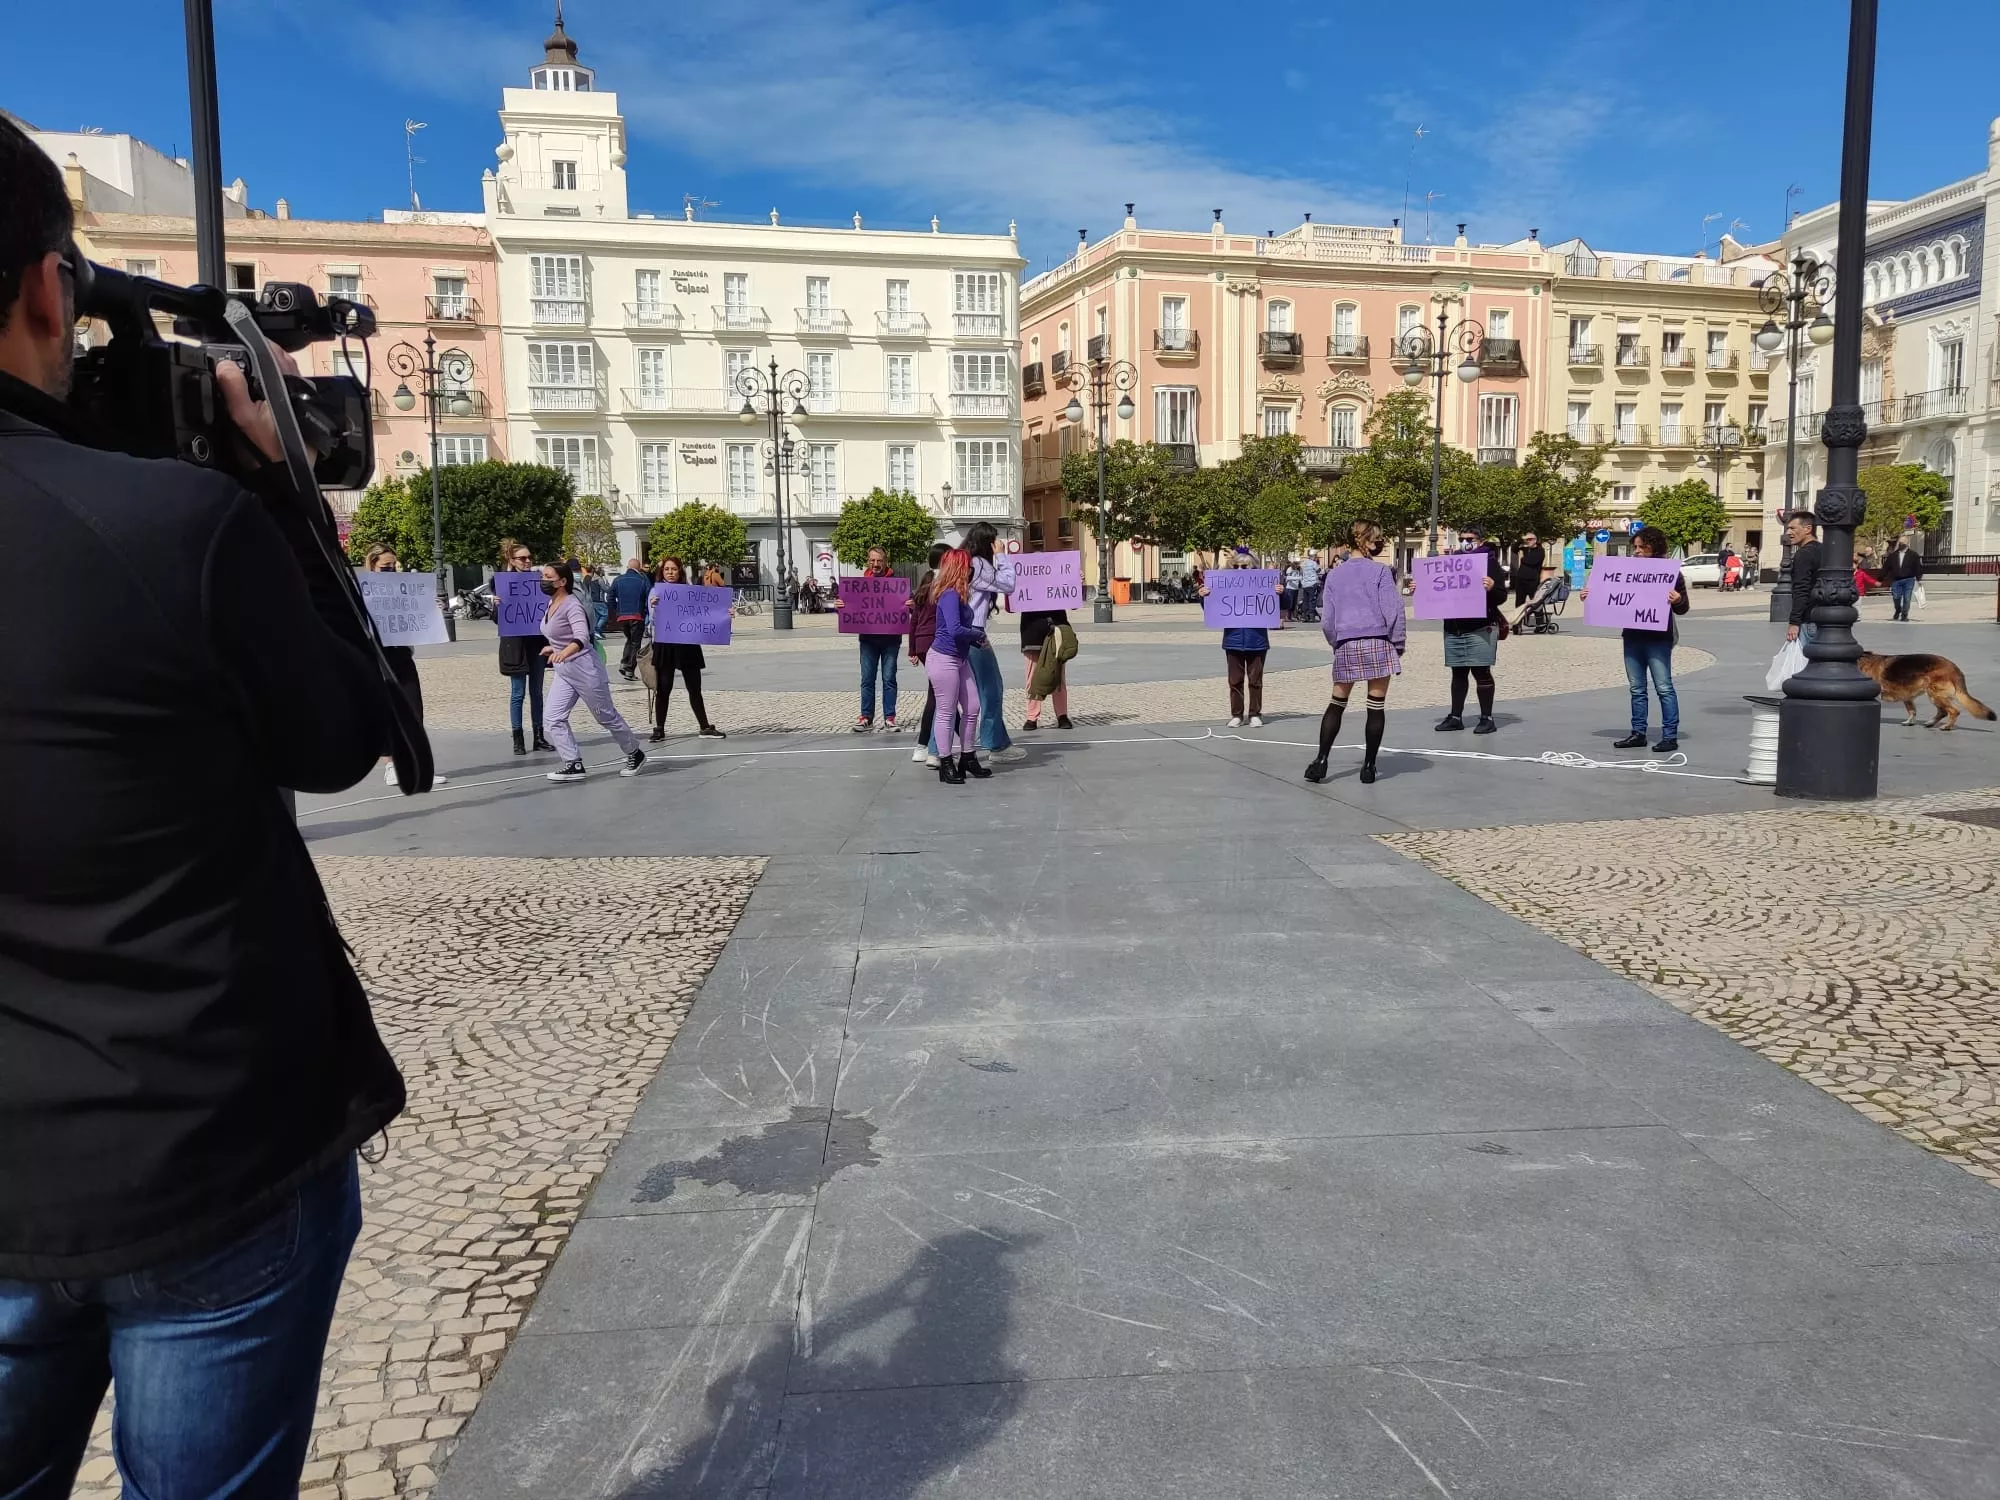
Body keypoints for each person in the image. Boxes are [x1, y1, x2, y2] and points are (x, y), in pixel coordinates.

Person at [0, 119, 403, 1498]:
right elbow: (348, 733)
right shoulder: (169, 532)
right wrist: (283, 499)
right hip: (202, 1150)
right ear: (51, 290)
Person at [1306, 521, 1407, 785]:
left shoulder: (1334, 575)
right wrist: (1398, 642)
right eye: (1378, 540)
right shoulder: (1381, 572)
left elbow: (1327, 618)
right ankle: (1370, 766)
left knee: (1337, 702)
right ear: (1370, 542)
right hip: (1378, 640)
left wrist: (1335, 643)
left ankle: (1321, 759)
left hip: (1348, 642)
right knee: (1375, 706)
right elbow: (1393, 610)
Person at [539, 561, 647, 782]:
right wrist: (554, 647)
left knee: (605, 715)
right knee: (553, 717)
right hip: (564, 671)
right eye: (543, 577)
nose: (544, 581)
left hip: (585, 668)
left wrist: (565, 651)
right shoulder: (551, 604)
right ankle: (573, 763)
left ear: (562, 581)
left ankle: (635, 752)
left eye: (548, 577)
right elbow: (561, 635)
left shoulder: (572, 605)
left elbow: (581, 636)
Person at [1601, 525, 1688, 753]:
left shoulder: (1671, 574)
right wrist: (1590, 596)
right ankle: (1638, 733)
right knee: (1637, 688)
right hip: (1632, 636)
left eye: (1643, 547)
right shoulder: (1626, 572)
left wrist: (1677, 599)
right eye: (1635, 547)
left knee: (1664, 687)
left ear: (1655, 548)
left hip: (1658, 638)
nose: (1637, 551)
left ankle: (1670, 735)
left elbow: (1683, 608)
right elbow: (1609, 597)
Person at [364, 545, 446, 788]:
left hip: (401, 655)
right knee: (387, 712)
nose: (390, 570)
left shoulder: (403, 588)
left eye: (393, 566)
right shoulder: (362, 591)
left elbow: (416, 614)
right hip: (377, 656)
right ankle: (391, 765)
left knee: (413, 709)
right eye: (385, 567)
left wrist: (432, 610)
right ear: (372, 565)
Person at [923, 548, 988, 784]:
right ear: (959, 568)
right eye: (968, 566)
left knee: (972, 706)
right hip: (943, 659)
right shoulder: (950, 595)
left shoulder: (958, 594)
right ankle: (946, 761)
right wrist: (977, 636)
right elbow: (954, 630)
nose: (971, 570)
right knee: (946, 711)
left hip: (958, 659)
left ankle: (968, 756)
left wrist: (974, 638)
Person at [646, 557, 725, 742]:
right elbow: (652, 620)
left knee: (694, 686)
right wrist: (654, 607)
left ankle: (704, 726)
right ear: (662, 571)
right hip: (666, 642)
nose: (670, 572)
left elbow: (705, 612)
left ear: (680, 571)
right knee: (664, 687)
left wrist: (725, 613)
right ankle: (659, 728)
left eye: (673, 569)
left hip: (687, 641)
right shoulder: (656, 591)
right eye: (667, 569)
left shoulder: (690, 591)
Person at [1437, 525, 1504, 735]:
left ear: (1481, 541)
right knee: (1458, 673)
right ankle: (1456, 716)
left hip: (1480, 626)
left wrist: (1492, 587)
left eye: (1470, 538)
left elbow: (1501, 596)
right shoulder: (1451, 562)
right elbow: (1440, 590)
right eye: (1463, 538)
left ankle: (1487, 718)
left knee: (1481, 672)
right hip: (1455, 626)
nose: (1466, 542)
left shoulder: (1489, 563)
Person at [963, 523, 1019, 760]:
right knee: (991, 688)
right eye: (994, 540)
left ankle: (934, 749)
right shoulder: (980, 565)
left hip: (954, 632)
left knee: (951, 694)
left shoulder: (961, 562)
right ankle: (995, 744)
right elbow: (1008, 584)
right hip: (974, 634)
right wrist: (1002, 556)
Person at [1200, 557, 1277, 727]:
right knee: (1234, 681)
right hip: (1233, 639)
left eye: (1244, 566)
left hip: (1257, 640)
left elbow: (1281, 606)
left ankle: (1255, 713)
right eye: (1236, 566)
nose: (1240, 569)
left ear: (1253, 568)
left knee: (1255, 680)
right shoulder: (1224, 585)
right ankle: (1237, 714)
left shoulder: (1263, 585)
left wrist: (1280, 593)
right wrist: (1204, 597)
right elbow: (1213, 608)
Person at [498, 537, 552, 755]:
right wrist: (497, 606)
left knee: (537, 691)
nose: (527, 561)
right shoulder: (503, 583)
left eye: (530, 557)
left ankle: (539, 736)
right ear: (512, 560)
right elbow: (498, 618)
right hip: (515, 644)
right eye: (523, 558)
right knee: (517, 692)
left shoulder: (538, 581)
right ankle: (517, 738)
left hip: (537, 642)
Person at [850, 546, 902, 732]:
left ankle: (890, 717)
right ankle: (866, 717)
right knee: (867, 679)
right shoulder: (860, 584)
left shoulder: (897, 583)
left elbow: (907, 605)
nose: (876, 564)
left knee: (889, 679)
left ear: (885, 561)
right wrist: (842, 604)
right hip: (868, 639)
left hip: (891, 639)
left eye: (879, 561)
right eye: (872, 560)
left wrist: (910, 604)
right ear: (868, 561)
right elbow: (852, 607)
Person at [908, 542, 949, 766]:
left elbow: (914, 620)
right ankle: (923, 746)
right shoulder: (942, 585)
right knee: (938, 696)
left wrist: (913, 648)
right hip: (936, 641)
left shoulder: (925, 582)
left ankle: (963, 736)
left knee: (940, 693)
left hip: (923, 643)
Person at [1020, 597, 1073, 731]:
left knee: (1058, 675)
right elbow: (1012, 604)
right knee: (1032, 676)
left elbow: (1074, 603)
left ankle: (1062, 715)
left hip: (1056, 626)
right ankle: (1032, 716)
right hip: (1032, 629)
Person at [609, 556, 651, 679]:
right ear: (639, 568)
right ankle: (629, 669)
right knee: (635, 643)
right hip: (637, 616)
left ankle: (624, 663)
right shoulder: (643, 580)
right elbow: (649, 597)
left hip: (622, 617)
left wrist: (617, 610)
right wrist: (648, 613)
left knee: (629, 640)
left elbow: (610, 597)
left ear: (628, 567)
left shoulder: (618, 580)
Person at [1784, 512, 1822, 645]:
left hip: (1809, 618)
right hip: (1824, 617)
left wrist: (1794, 622)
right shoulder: (1824, 550)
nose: (1788, 533)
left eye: (1793, 528)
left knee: (1805, 663)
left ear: (1808, 529)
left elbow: (1801, 588)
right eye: (1788, 528)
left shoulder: (1804, 554)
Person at [1884, 532, 1924, 621]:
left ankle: (1904, 615)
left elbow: (1918, 567)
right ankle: (1898, 610)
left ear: (1907, 544)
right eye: (1900, 543)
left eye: (1903, 543)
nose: (1902, 544)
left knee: (1907, 598)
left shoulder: (1913, 555)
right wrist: (1880, 578)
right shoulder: (1893, 555)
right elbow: (1886, 567)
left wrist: (1919, 578)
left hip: (1909, 580)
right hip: (1896, 580)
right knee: (1896, 597)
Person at [1510, 532, 1547, 610]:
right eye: (1527, 540)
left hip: (1532, 581)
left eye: (1530, 539)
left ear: (1535, 540)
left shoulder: (1540, 550)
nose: (1528, 541)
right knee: (1519, 603)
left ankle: (1540, 621)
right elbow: (1513, 549)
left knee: (1536, 602)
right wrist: (1520, 540)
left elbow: (1532, 562)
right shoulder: (1525, 549)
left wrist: (1522, 559)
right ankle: (1519, 621)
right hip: (1520, 579)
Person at [1299, 551, 1322, 621]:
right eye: (1315, 556)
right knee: (1312, 600)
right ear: (1313, 556)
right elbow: (1318, 570)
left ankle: (1305, 616)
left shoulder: (1304, 563)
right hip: (1312, 583)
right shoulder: (1313, 563)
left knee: (1305, 600)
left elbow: (1301, 573)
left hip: (1305, 584)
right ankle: (1312, 617)